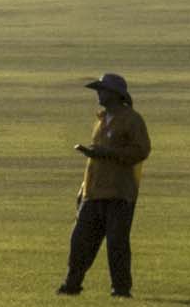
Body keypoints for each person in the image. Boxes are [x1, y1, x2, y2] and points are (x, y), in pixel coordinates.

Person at [61, 70, 149, 295]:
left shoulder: (132, 119)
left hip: (120, 192)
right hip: (93, 191)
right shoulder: (101, 120)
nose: (99, 94)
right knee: (80, 240)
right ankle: (72, 284)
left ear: (115, 94)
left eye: (103, 90)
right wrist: (83, 188)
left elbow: (141, 151)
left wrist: (108, 153)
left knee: (116, 243)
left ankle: (121, 289)